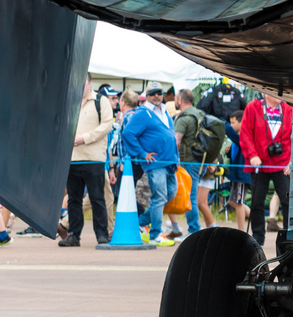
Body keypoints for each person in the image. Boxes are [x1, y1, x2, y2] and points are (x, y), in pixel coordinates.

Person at [119, 88, 178, 247]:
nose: (157, 96)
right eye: (153, 93)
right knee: (159, 196)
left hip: (169, 161)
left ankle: (140, 223)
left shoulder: (164, 111)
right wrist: (142, 153)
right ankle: (155, 234)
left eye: (159, 93)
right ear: (147, 96)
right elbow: (128, 133)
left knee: (170, 193)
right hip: (155, 162)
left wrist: (175, 157)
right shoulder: (143, 112)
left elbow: (170, 134)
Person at [63, 78, 115, 246]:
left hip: (93, 158)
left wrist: (84, 138)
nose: (80, 84)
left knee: (97, 197)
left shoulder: (101, 101)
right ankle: (73, 234)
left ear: (90, 83)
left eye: (83, 81)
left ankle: (101, 234)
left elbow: (107, 125)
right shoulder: (70, 100)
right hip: (72, 158)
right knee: (74, 199)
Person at [240, 90, 292, 246]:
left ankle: (289, 236)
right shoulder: (252, 107)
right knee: (256, 201)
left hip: (283, 163)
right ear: (265, 93)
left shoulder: (288, 108)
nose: (279, 94)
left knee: (288, 200)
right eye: (275, 91)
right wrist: (252, 155)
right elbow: (245, 133)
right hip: (259, 163)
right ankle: (258, 237)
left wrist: (292, 161)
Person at [173, 88, 219, 235]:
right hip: (202, 161)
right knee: (192, 196)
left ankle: (194, 230)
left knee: (190, 196)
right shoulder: (200, 114)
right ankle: (194, 228)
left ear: (180, 100)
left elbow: (176, 142)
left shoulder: (184, 118)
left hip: (188, 162)